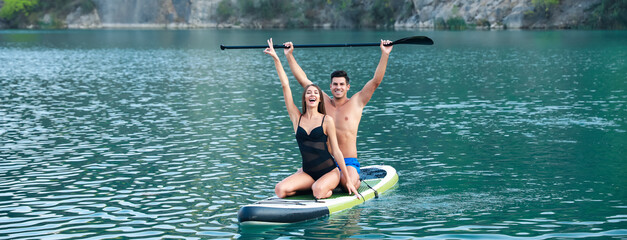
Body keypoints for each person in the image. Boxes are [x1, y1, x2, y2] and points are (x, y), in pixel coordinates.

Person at [282, 39, 394, 191]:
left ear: (348, 87)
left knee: (345, 184)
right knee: (313, 183)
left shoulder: (357, 102)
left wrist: (385, 54)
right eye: (335, 84)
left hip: (348, 162)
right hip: (325, 162)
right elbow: (303, 80)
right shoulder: (323, 101)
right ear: (330, 86)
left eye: (342, 84)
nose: (338, 87)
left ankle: (354, 180)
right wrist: (289, 56)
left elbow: (375, 82)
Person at [263, 38, 359, 200]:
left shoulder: (326, 120)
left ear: (320, 98)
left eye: (316, 92)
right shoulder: (297, 118)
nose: (312, 94)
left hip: (330, 170)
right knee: (280, 190)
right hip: (308, 172)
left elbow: (336, 151)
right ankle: (308, 187)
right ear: (305, 97)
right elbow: (286, 85)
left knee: (318, 191)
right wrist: (277, 59)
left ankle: (328, 188)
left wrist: (348, 180)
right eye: (309, 92)